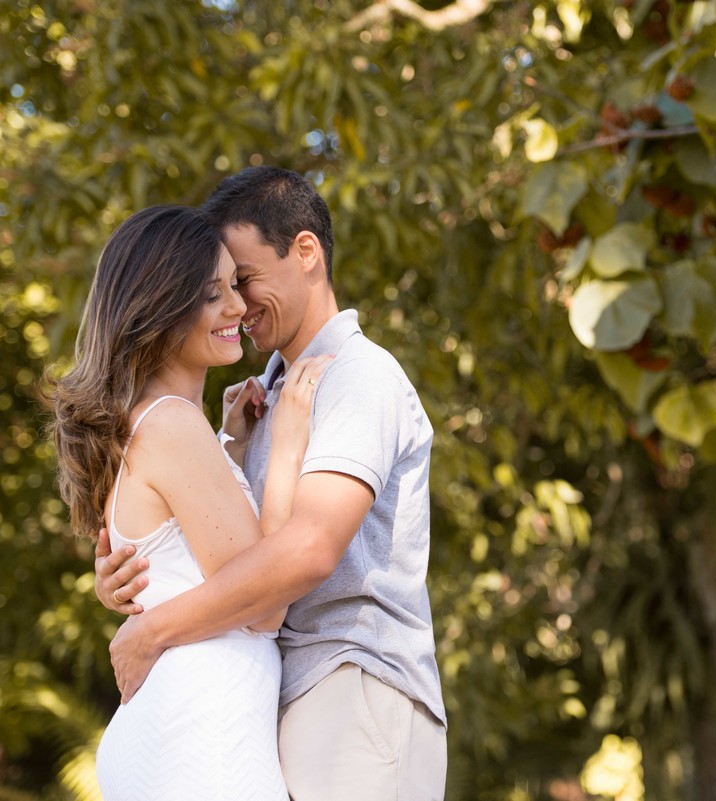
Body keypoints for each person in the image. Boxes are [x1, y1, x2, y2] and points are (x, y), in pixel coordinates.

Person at [94, 167, 448, 801]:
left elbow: (305, 549)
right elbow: (227, 554)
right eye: (220, 288)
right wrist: (137, 572)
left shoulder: (355, 376)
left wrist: (154, 626)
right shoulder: (262, 402)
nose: (238, 303)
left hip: (351, 686)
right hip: (278, 704)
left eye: (244, 279)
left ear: (305, 252)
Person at [47, 204, 330, 800]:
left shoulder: (153, 424)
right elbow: (262, 608)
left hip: (178, 728)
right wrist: (287, 445)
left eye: (235, 284)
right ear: (159, 309)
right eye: (210, 295)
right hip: (203, 735)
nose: (237, 307)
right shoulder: (171, 423)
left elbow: (183, 564)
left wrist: (232, 444)